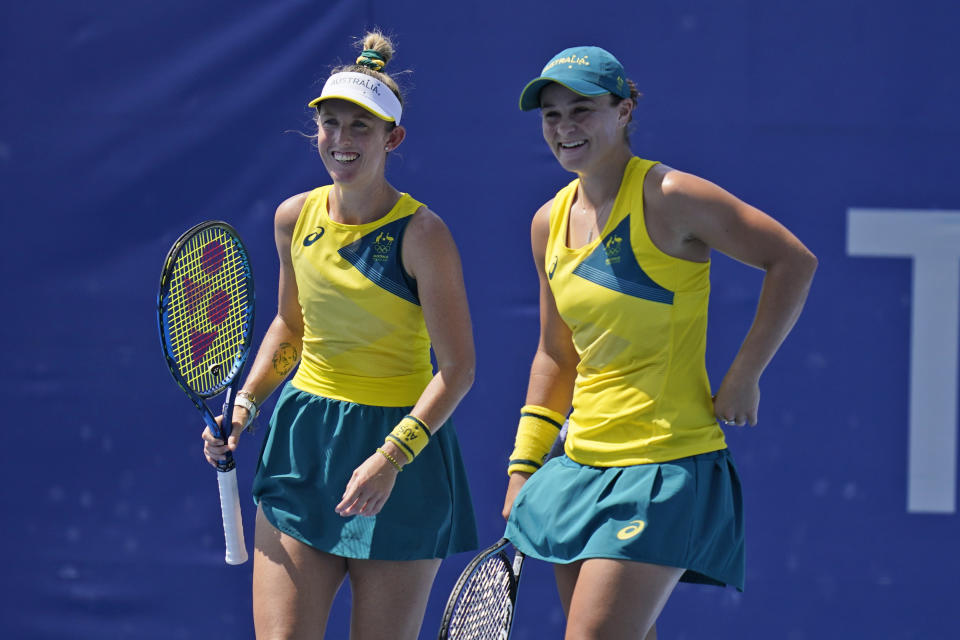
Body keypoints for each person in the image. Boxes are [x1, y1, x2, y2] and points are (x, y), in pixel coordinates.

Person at [501, 46, 817, 639]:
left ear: (623, 112)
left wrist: (745, 372)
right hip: (580, 467)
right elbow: (555, 353)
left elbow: (792, 260)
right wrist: (523, 466)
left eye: (582, 109)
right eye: (551, 115)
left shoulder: (670, 196)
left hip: (665, 467)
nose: (565, 128)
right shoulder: (547, 221)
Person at [202, 31, 478, 640]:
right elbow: (290, 327)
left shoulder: (423, 234)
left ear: (392, 138)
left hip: (399, 452)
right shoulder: (292, 217)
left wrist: (389, 459)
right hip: (305, 441)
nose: (342, 140)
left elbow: (458, 368)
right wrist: (246, 404)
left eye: (361, 127)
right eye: (331, 124)